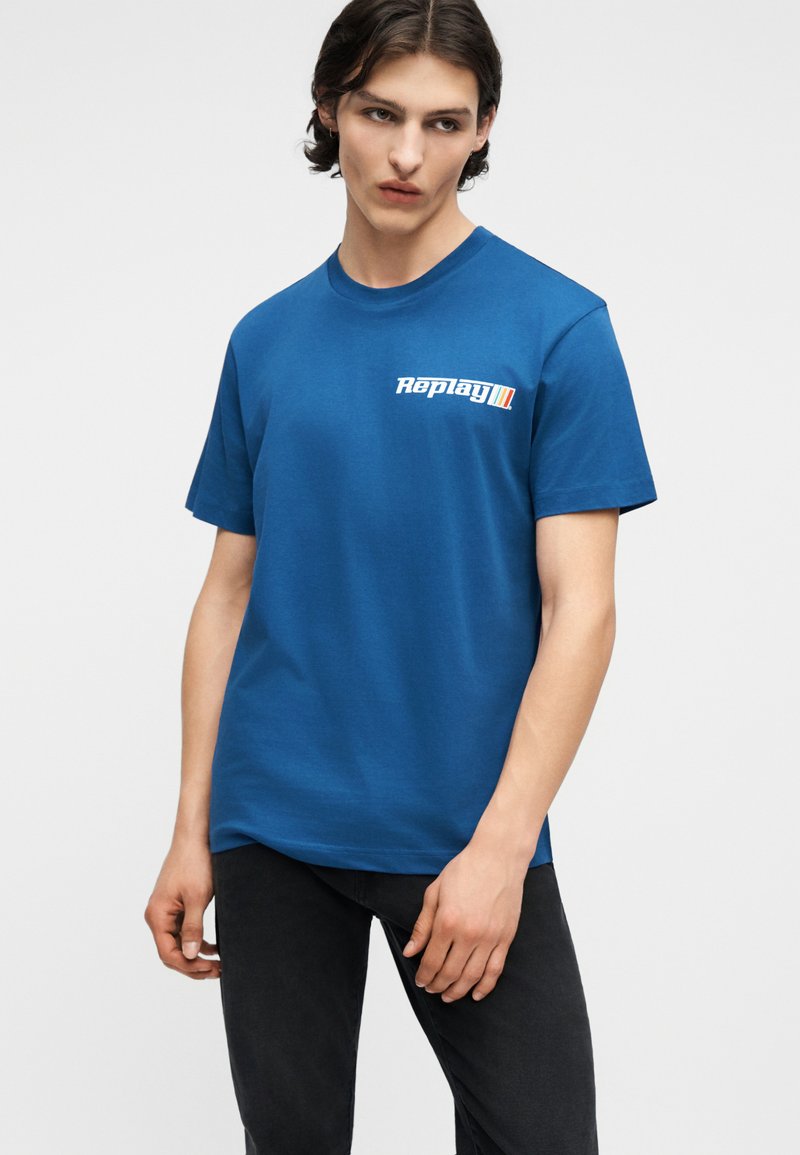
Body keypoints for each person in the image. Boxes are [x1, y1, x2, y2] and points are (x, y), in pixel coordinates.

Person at [144, 1, 658, 1151]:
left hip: (462, 832)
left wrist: (500, 849)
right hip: (273, 828)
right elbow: (227, 592)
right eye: (380, 115)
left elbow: (581, 610)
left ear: (483, 129)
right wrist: (191, 827)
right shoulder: (266, 340)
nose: (408, 155)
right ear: (330, 110)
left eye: (443, 122)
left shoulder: (556, 327)